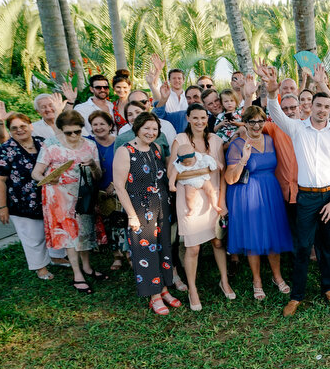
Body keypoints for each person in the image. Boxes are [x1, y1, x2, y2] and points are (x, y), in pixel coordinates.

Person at [262, 72, 330, 316]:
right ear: (309, 106)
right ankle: (297, 295)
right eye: (318, 105)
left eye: (326, 106)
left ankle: (328, 287)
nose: (322, 109)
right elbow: (276, 113)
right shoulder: (297, 128)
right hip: (307, 198)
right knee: (302, 247)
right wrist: (271, 92)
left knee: (325, 245)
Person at [112, 112, 181, 314]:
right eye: (147, 128)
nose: (151, 132)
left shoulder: (157, 149)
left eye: (154, 129)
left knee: (164, 249)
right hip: (140, 210)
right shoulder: (125, 151)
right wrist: (132, 215)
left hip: (162, 207)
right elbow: (119, 186)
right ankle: (154, 295)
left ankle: (165, 288)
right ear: (137, 128)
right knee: (146, 252)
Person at [223, 105, 293, 300]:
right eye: (252, 121)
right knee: (253, 236)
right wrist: (244, 159)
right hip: (248, 193)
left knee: (273, 234)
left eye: (260, 121)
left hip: (270, 191)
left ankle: (277, 276)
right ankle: (257, 280)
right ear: (244, 123)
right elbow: (229, 178)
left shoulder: (270, 140)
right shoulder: (238, 144)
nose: (256, 125)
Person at [171, 104, 233, 310]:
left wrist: (221, 201)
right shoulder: (180, 140)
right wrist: (201, 170)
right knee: (193, 248)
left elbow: (222, 173)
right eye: (195, 118)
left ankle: (224, 280)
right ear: (188, 118)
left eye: (203, 118)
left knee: (217, 242)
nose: (199, 122)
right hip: (188, 199)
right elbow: (174, 170)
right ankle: (193, 289)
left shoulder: (215, 140)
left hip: (212, 195)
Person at [31, 110, 100, 294]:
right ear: (61, 130)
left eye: (77, 131)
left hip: (83, 194)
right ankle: (77, 274)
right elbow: (36, 173)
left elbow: (98, 175)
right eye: (69, 132)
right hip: (59, 195)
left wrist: (92, 165)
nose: (74, 136)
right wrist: (48, 178)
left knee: (85, 231)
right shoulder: (50, 145)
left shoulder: (90, 145)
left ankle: (86, 266)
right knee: (70, 235)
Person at [0, 107, 52, 280]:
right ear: (10, 131)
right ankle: (41, 268)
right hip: (21, 201)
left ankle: (57, 257)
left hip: (48, 198)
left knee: (49, 230)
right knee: (33, 236)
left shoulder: (43, 143)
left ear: (31, 126)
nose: (20, 130)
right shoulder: (4, 151)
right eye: (15, 128)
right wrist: (2, 207)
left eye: (23, 126)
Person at [85, 110, 127, 272]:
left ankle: (128, 253)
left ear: (110, 126)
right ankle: (116, 255)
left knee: (122, 221)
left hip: (118, 187)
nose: (98, 127)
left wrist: (114, 184)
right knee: (108, 224)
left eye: (102, 123)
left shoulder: (119, 142)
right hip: (98, 191)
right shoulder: (89, 143)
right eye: (95, 124)